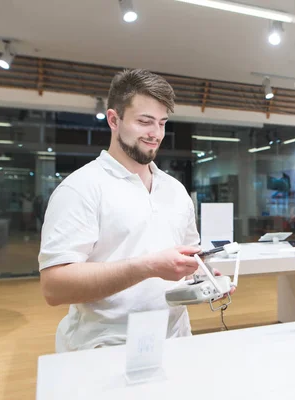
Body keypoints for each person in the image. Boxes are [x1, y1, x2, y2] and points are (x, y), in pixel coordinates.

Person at [38, 69, 223, 352]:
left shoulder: (175, 190)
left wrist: (204, 278)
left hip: (176, 339)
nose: (156, 134)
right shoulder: (80, 188)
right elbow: (54, 287)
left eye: (162, 123)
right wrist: (147, 267)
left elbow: (184, 265)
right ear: (114, 119)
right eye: (144, 122)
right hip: (103, 347)